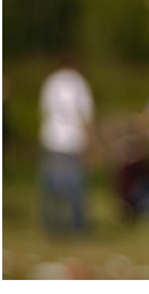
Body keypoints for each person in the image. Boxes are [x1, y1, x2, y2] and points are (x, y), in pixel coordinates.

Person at [38, 52, 95, 236]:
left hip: (51, 137)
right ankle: (76, 226)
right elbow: (86, 114)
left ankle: (50, 225)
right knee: (75, 185)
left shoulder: (50, 81)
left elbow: (44, 110)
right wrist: (91, 140)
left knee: (51, 185)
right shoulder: (79, 83)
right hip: (72, 139)